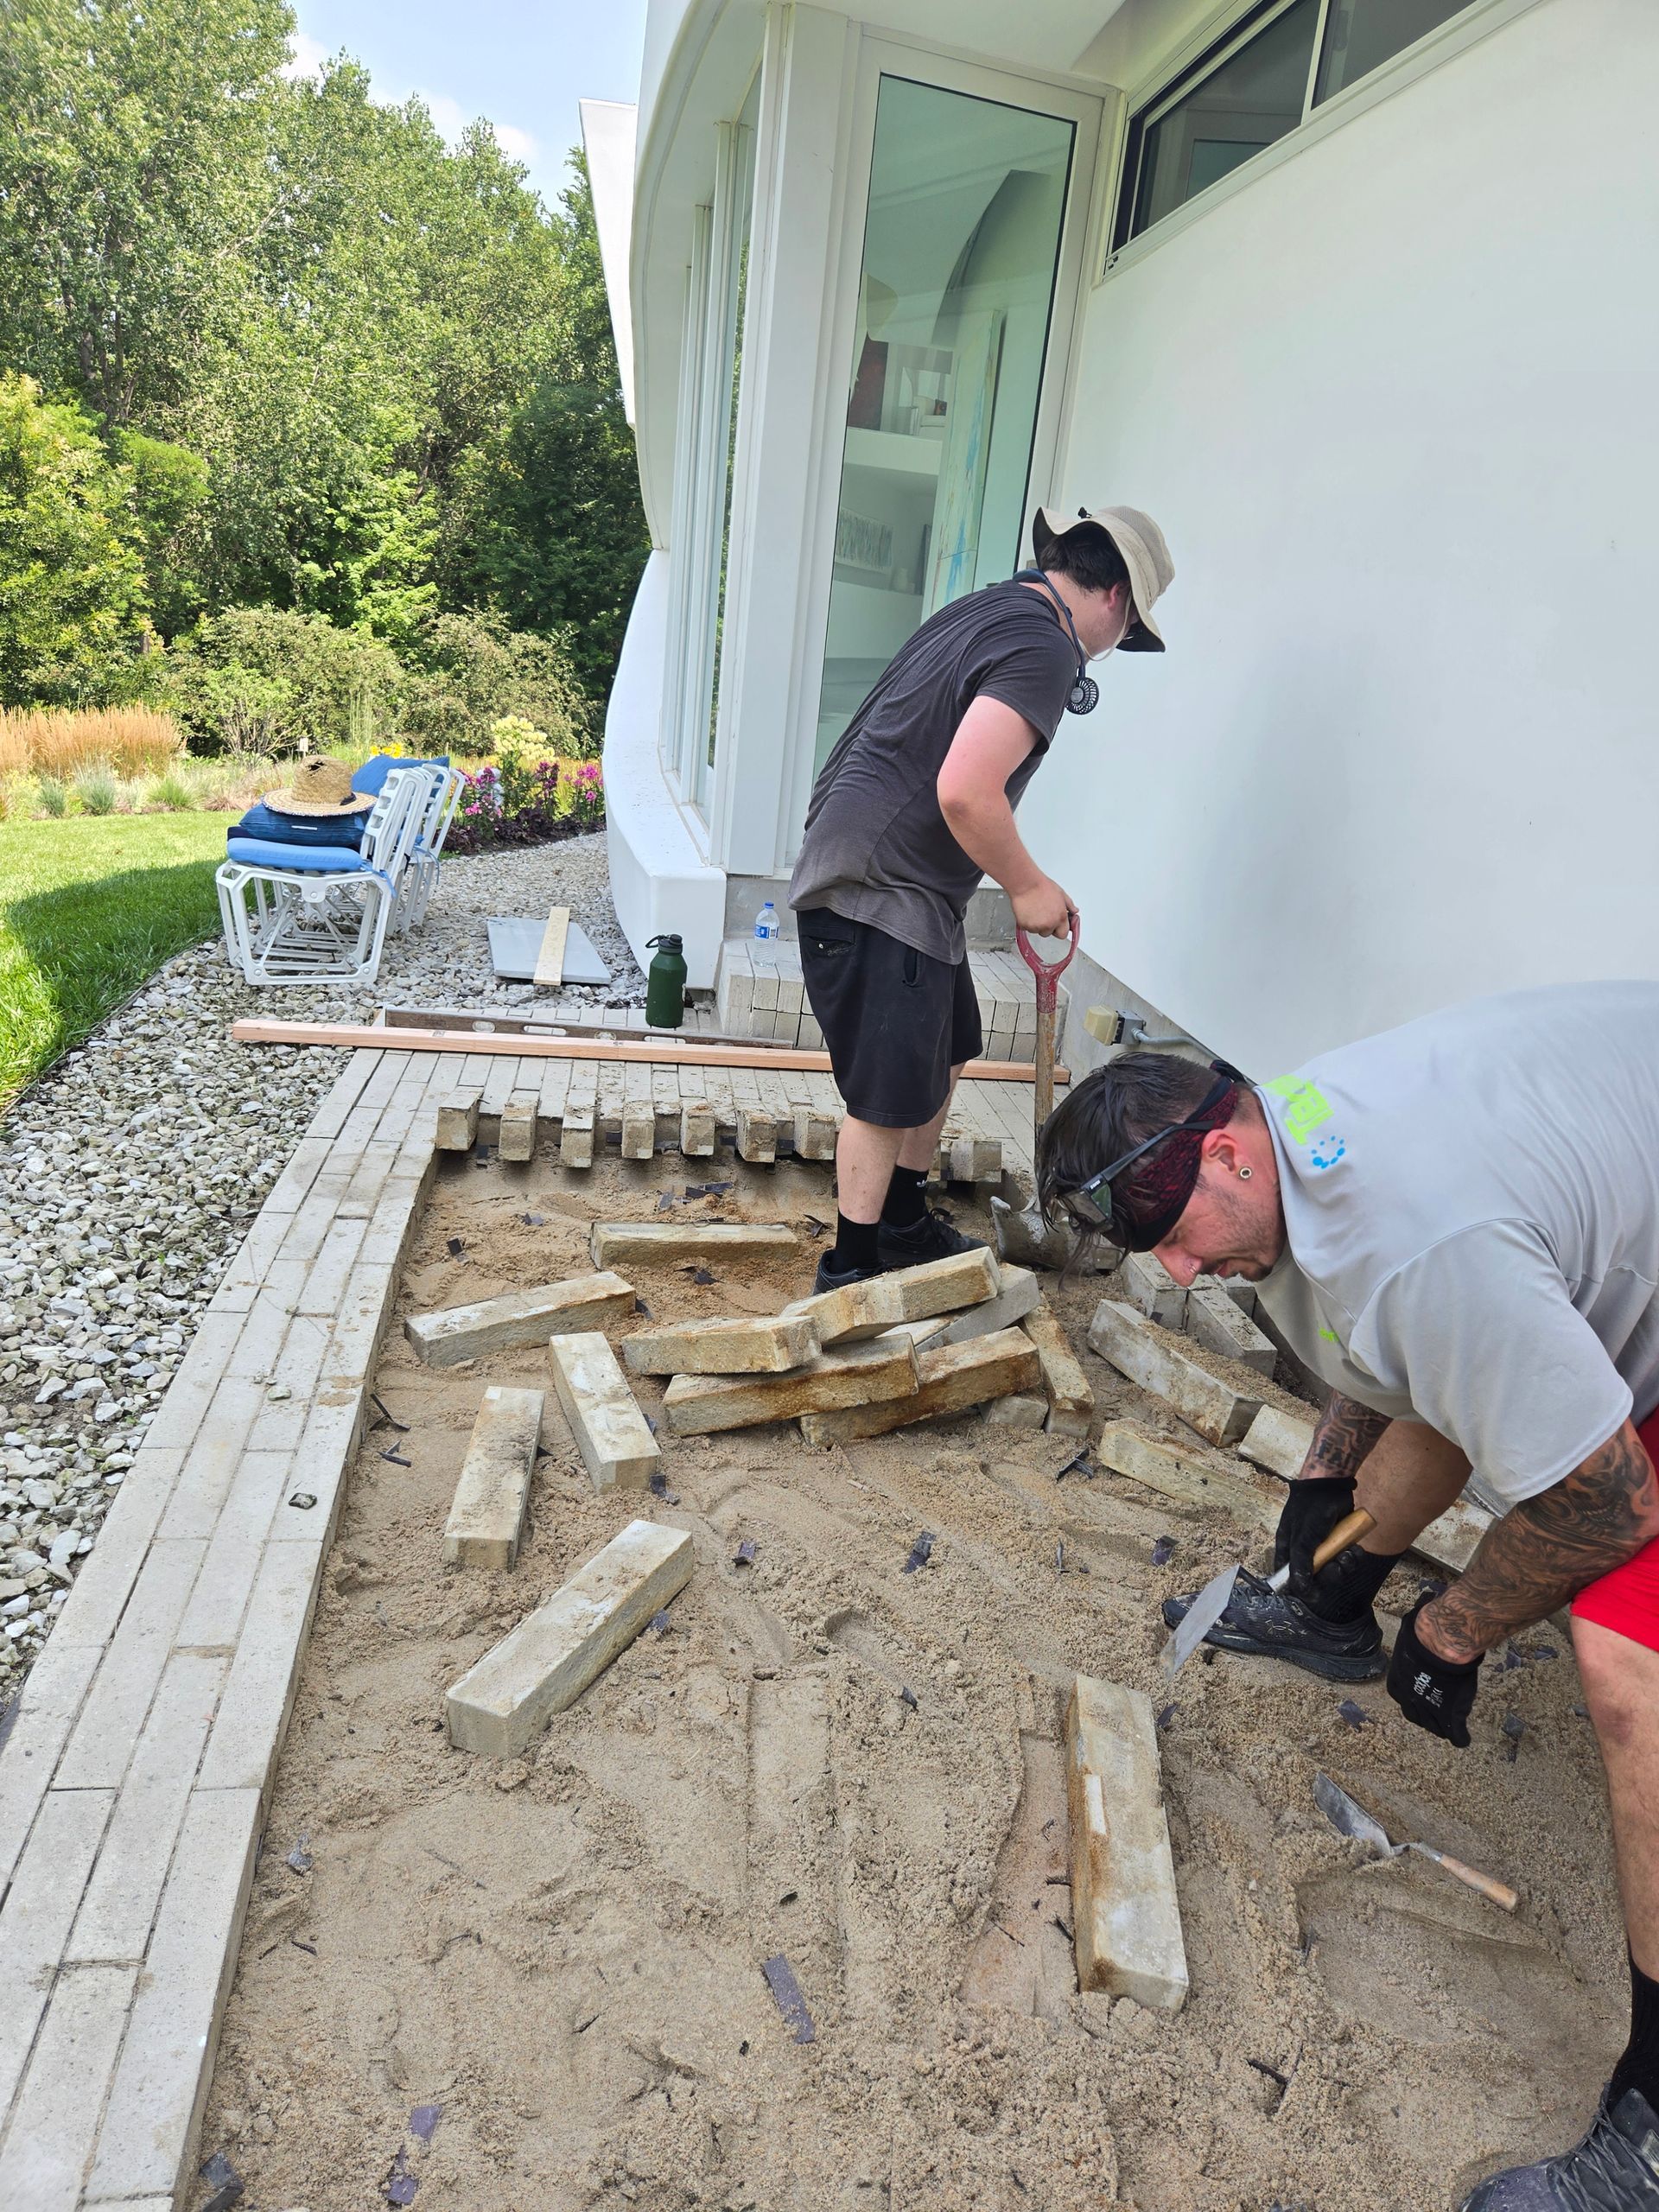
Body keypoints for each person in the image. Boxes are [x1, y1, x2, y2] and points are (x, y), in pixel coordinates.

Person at [1035, 982, 1659, 2209]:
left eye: (1172, 1223)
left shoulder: (1424, 1244)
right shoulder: (1299, 1113)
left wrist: (1454, 1628)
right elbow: (1396, 1339)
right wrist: (1324, 1496)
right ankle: (1328, 1611)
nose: (1174, 1267)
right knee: (1471, 1368)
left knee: (1625, 1673)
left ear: (1223, 1146)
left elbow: (1610, 1502)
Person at [790, 505, 1173, 1296]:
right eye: (1128, 630)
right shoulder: (1044, 644)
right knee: (885, 1091)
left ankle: (899, 1219)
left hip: (902, 885)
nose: (1116, 646)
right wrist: (1028, 887)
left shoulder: (996, 607)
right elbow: (966, 791)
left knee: (951, 1041)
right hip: (877, 889)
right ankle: (851, 1269)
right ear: (1117, 602)